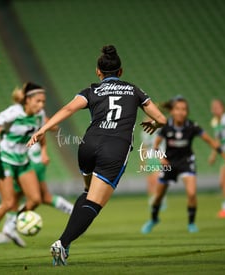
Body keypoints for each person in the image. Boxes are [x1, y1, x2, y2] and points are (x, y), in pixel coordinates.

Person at [27, 45, 167, 266]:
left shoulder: (91, 90)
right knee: (94, 203)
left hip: (88, 145)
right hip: (115, 148)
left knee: (87, 192)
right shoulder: (134, 90)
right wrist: (155, 122)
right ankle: (62, 243)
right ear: (120, 72)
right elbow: (162, 118)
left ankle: (66, 244)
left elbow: (67, 110)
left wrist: (43, 129)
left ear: (98, 72)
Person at [0, 88, 74, 247]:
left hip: (28, 161)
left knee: (30, 197)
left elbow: (49, 127)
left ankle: (9, 228)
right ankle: (9, 228)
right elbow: (51, 127)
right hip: (26, 160)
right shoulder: (18, 116)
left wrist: (44, 149)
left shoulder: (33, 116)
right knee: (35, 197)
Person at [141, 96, 225, 235]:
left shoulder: (192, 126)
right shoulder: (166, 126)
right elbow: (155, 146)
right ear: (172, 111)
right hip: (170, 163)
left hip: (186, 162)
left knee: (191, 193)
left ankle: (191, 223)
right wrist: (161, 158)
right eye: (177, 109)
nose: (181, 112)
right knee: (158, 196)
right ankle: (154, 219)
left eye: (184, 109)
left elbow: (211, 141)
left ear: (187, 112)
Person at [0, 82, 46, 252]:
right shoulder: (14, 112)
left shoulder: (40, 115)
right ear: (27, 100)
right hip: (5, 159)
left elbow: (41, 132)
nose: (41, 105)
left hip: (23, 161)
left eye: (43, 101)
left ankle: (10, 227)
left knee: (35, 200)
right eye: (37, 101)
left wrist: (44, 151)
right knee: (8, 203)